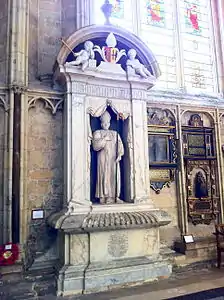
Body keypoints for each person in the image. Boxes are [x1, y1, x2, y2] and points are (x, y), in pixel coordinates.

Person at [92, 111, 124, 204]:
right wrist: (104, 139)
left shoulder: (115, 133)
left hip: (113, 159)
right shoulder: (97, 133)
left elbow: (120, 145)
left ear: (109, 123)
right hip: (102, 159)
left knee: (114, 176)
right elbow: (95, 146)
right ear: (101, 123)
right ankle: (103, 197)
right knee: (104, 175)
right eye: (103, 123)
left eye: (107, 123)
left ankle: (114, 196)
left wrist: (119, 154)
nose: (105, 124)